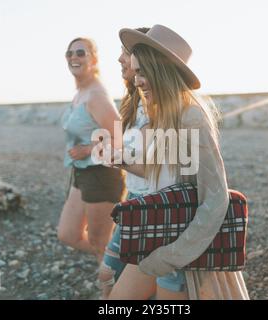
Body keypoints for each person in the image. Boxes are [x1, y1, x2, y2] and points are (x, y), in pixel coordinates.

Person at [108, 25, 250, 300]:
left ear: (163, 72)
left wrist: (171, 256)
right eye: (136, 72)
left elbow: (215, 199)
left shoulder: (191, 117)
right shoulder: (160, 116)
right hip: (155, 238)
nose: (137, 81)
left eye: (144, 72)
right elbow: (160, 176)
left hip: (180, 253)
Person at [58, 37, 126, 263]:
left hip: (101, 175)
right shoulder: (80, 93)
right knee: (68, 234)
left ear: (94, 60)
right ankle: (124, 263)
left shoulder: (96, 96)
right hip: (82, 173)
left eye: (80, 53)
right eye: (69, 54)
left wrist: (88, 149)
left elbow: (121, 135)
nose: (73, 57)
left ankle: (112, 288)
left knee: (100, 243)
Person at [97, 27, 151, 299]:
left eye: (125, 53)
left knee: (110, 276)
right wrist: (111, 149)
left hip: (150, 203)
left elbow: (154, 167)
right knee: (111, 276)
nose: (119, 59)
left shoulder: (156, 105)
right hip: (133, 198)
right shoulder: (134, 102)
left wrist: (117, 159)